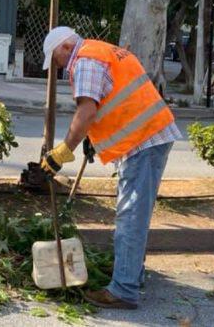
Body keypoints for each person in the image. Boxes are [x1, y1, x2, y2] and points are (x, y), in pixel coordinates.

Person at [39, 26, 182, 310]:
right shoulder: (101, 49)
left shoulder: (85, 61)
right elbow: (112, 100)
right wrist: (93, 140)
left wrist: (63, 151)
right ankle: (131, 275)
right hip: (150, 136)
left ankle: (124, 289)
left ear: (65, 48)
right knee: (135, 212)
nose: (58, 65)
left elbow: (87, 111)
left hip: (143, 141)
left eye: (56, 59)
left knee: (130, 215)